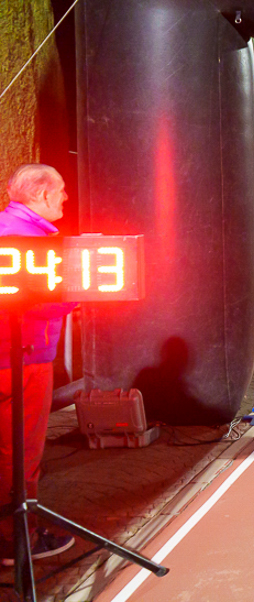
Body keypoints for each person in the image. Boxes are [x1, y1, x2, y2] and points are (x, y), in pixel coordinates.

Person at [0, 164, 76, 563]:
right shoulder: (34, 243)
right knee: (21, 453)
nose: (65, 197)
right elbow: (51, 299)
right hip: (24, 361)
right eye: (60, 190)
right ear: (42, 194)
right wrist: (75, 292)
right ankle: (18, 540)